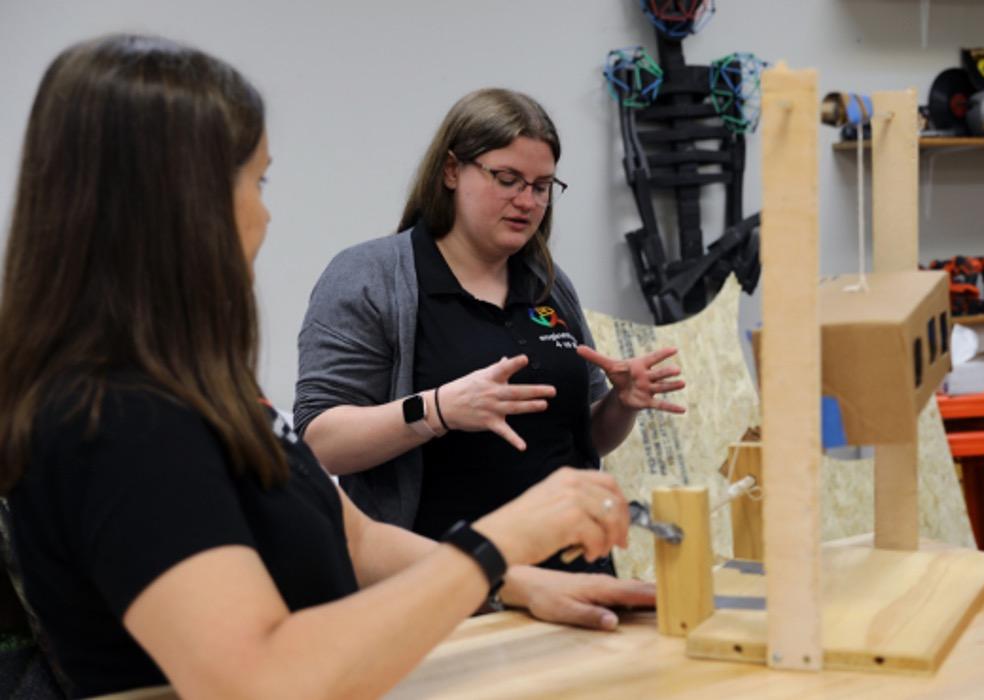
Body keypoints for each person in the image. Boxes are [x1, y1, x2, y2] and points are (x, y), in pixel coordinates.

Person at [0, 35, 651, 698]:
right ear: (178, 202)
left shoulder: (200, 390)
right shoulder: (118, 419)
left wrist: (518, 580)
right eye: (256, 181)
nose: (266, 210)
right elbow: (255, 680)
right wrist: (499, 540)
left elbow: (358, 541)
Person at [295, 89, 685, 572]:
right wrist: (438, 410)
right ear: (452, 171)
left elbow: (585, 440)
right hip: (446, 586)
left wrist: (620, 404)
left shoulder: (547, 281)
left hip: (575, 574)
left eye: (542, 186)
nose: (526, 202)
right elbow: (319, 444)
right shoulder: (370, 276)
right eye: (507, 180)